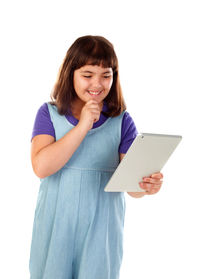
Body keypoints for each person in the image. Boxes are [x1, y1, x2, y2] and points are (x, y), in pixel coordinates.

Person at [29, 35, 163, 279]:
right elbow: (41, 167)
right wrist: (82, 127)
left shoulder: (121, 121)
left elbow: (131, 184)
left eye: (106, 75)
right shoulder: (48, 114)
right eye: (88, 75)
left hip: (102, 231)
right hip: (56, 225)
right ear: (71, 73)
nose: (97, 84)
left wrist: (145, 186)